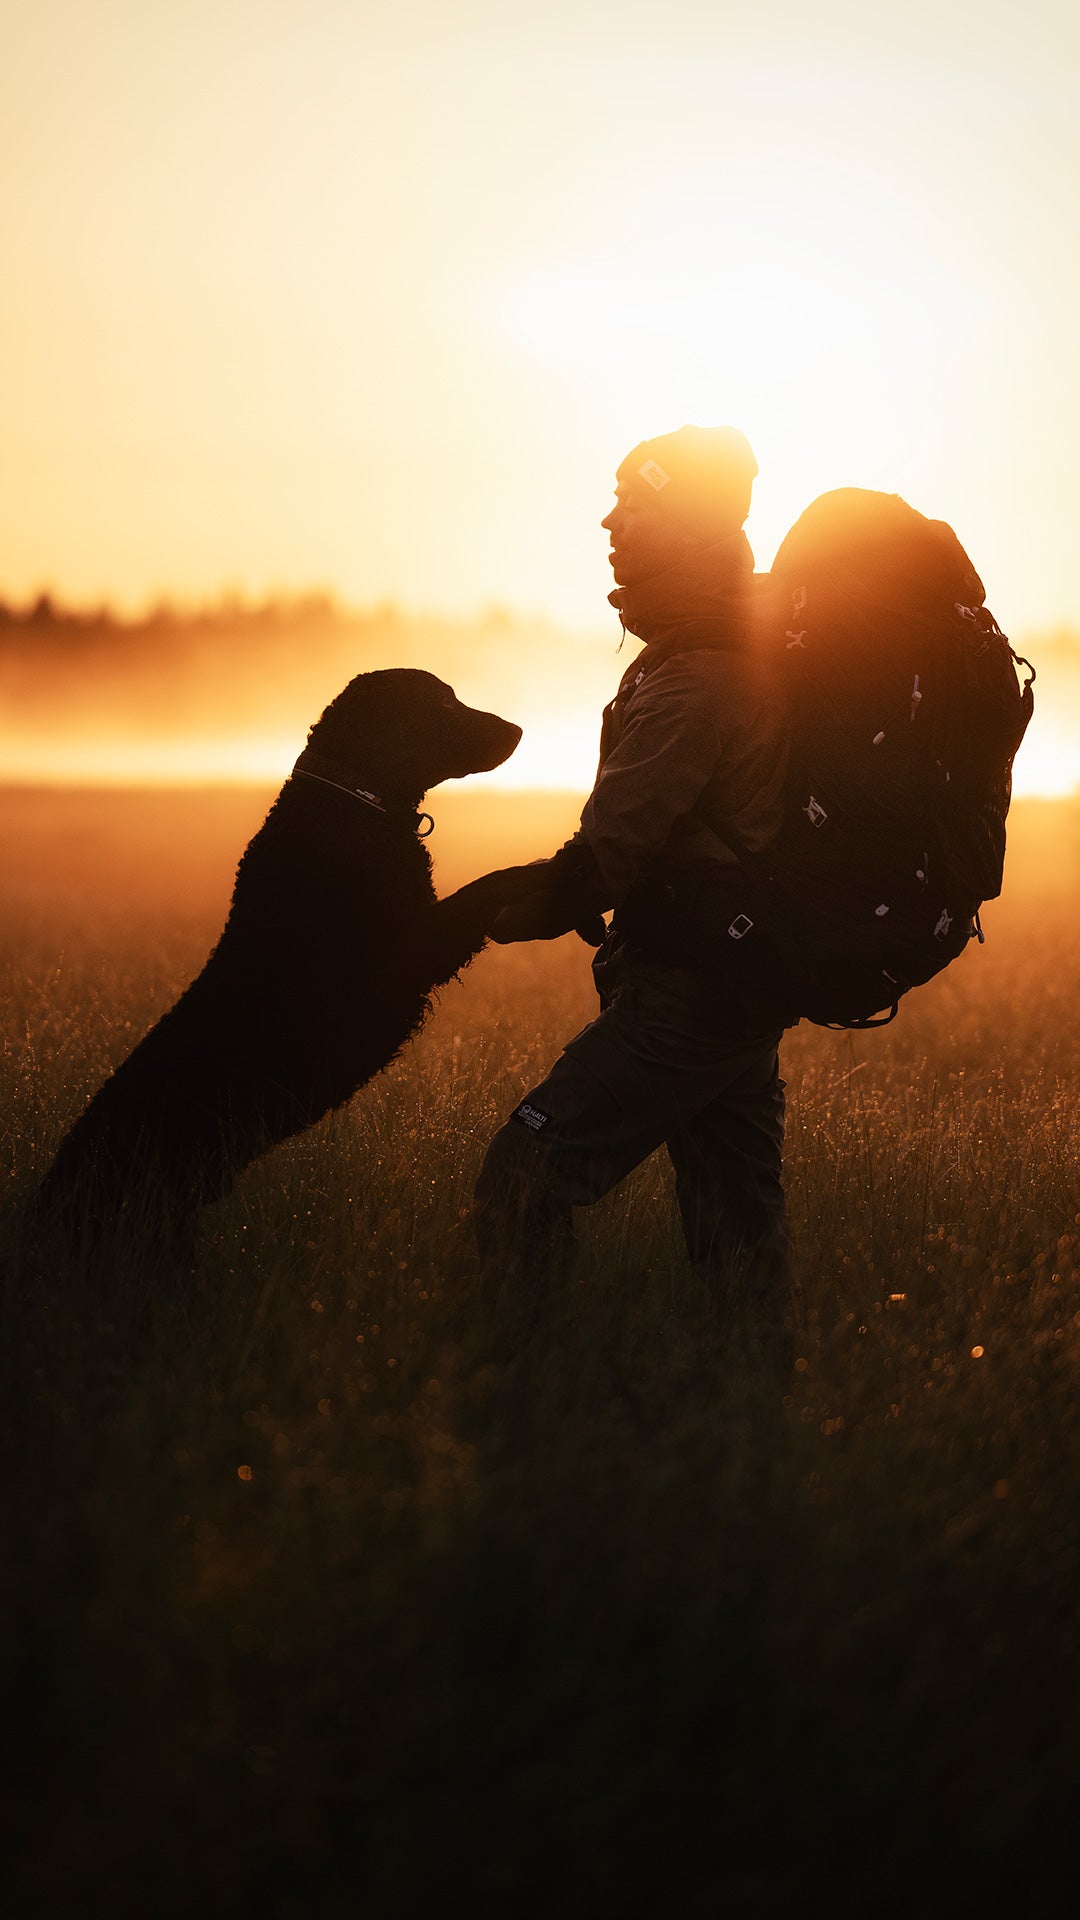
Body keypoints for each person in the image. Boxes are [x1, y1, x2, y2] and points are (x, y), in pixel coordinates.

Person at [474, 425, 794, 1329]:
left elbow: (605, 855)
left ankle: (523, 1379)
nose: (610, 523)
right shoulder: (706, 656)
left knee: (523, 1175)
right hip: (732, 986)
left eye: (634, 506)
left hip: (689, 1001)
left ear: (689, 530)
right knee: (736, 1225)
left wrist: (469, 919)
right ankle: (748, 1398)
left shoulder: (700, 680)